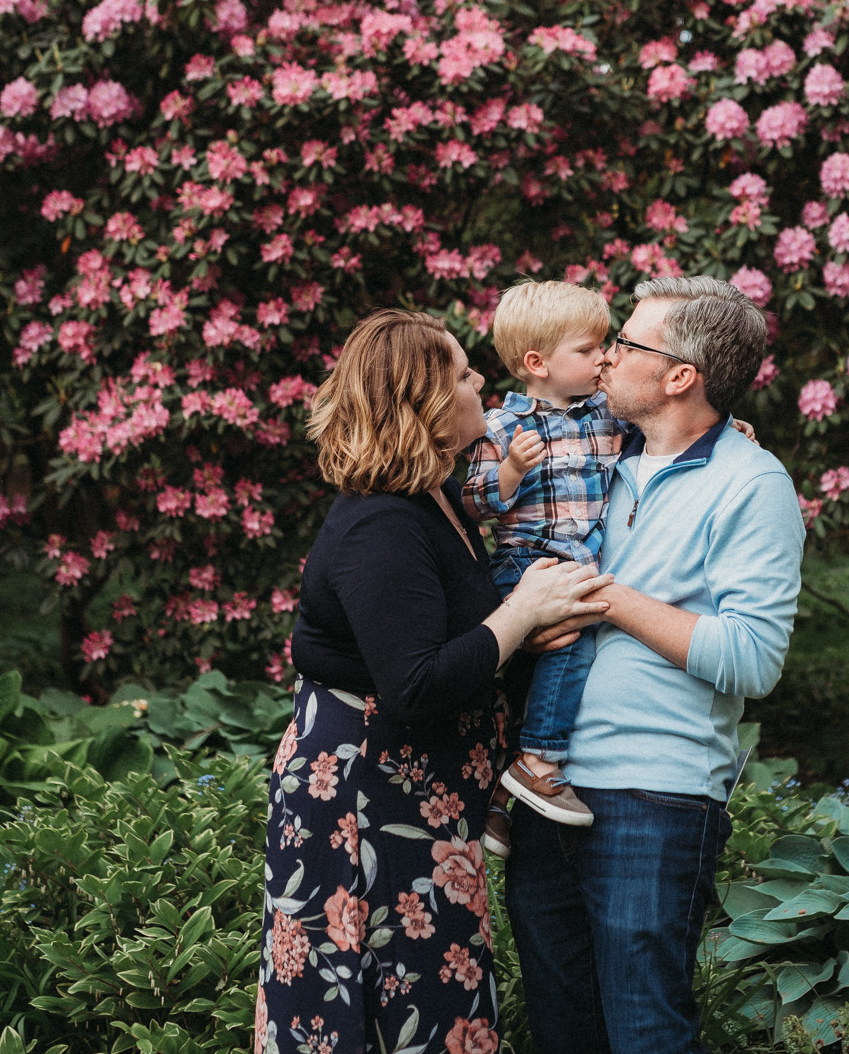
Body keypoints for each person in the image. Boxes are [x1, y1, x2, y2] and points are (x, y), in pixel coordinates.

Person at [256, 308, 613, 1054]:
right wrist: (521, 613)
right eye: (461, 373)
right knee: (379, 1005)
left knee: (430, 997)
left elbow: (451, 633)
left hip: (415, 805)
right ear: (425, 403)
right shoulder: (381, 524)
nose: (481, 378)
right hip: (363, 809)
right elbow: (414, 683)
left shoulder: (435, 495)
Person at [504, 276, 804, 1054]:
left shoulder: (752, 482)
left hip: (655, 799)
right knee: (564, 1035)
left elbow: (751, 656)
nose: (605, 358)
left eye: (628, 344)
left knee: (646, 1035)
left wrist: (601, 596)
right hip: (547, 790)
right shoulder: (602, 459)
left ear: (680, 376)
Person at [461, 281, 627, 840]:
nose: (605, 356)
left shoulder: (609, 414)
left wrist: (727, 432)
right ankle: (540, 761)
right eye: (588, 349)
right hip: (525, 563)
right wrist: (509, 471)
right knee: (568, 642)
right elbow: (470, 499)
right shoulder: (501, 426)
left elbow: (665, 433)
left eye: (605, 344)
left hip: (576, 560)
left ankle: (496, 798)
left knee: (527, 677)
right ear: (537, 363)